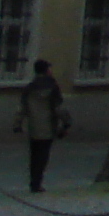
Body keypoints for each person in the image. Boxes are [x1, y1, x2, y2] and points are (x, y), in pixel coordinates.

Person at [14, 59, 69, 192]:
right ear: (46, 70)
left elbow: (22, 108)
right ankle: (37, 183)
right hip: (48, 126)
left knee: (34, 156)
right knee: (43, 157)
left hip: (33, 126)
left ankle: (33, 181)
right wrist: (66, 123)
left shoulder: (30, 87)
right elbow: (58, 108)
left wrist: (18, 123)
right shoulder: (53, 87)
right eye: (50, 68)